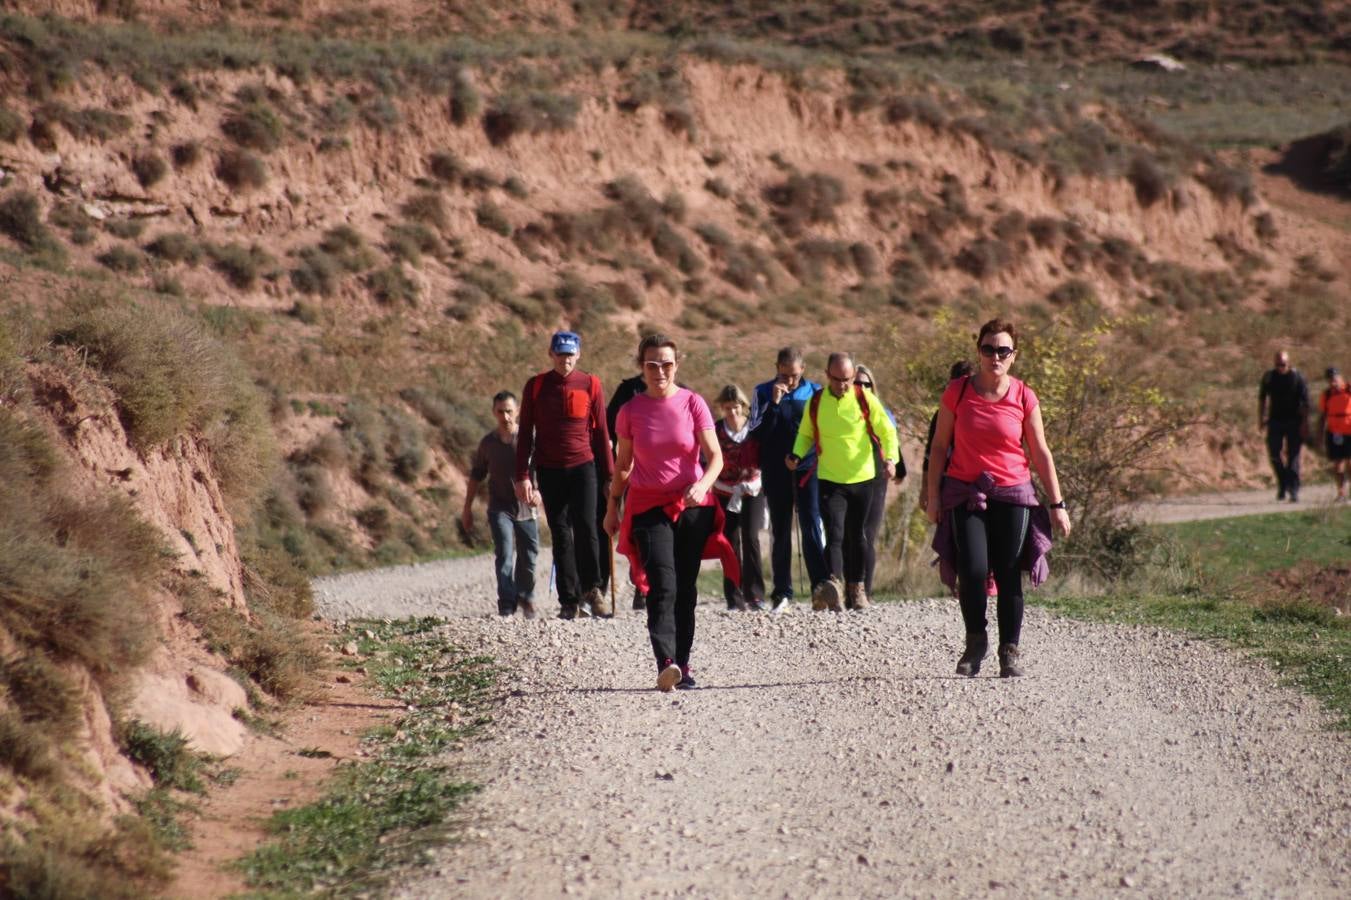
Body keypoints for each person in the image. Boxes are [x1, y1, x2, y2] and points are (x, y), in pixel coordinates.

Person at [926, 318, 1071, 678]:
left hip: (1013, 492)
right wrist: (933, 496)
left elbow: (1040, 451)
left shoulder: (1024, 396)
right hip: (964, 491)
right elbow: (940, 446)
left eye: (1002, 350)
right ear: (979, 351)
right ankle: (975, 642)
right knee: (972, 569)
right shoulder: (957, 392)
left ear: (1013, 356)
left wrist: (1057, 504)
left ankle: (1010, 651)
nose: (995, 356)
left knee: (1008, 574)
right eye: (988, 349)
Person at [605, 334, 737, 692]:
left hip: (692, 507)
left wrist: (703, 485)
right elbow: (623, 465)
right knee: (662, 584)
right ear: (641, 368)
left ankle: (684, 662)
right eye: (652, 364)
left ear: (676, 365)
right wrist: (612, 507)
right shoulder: (630, 411)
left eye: (666, 364)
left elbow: (716, 457)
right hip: (648, 507)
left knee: (685, 587)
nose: (659, 371)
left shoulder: (693, 403)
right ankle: (665, 662)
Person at [788, 352, 899, 612]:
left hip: (862, 479)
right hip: (829, 479)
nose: (843, 385)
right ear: (827, 376)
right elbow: (806, 434)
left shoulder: (864, 398)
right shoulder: (816, 402)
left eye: (848, 379)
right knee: (835, 533)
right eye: (837, 379)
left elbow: (887, 430)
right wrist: (796, 453)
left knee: (857, 535)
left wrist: (891, 459)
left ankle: (857, 589)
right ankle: (834, 586)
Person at [515, 330, 614, 620]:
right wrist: (523, 475)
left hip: (583, 466)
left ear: (578, 354)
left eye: (570, 354)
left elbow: (601, 433)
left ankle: (593, 590)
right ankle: (568, 601)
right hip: (550, 468)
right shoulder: (536, 386)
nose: (565, 360)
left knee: (587, 528)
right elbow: (525, 436)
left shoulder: (590, 384)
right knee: (560, 534)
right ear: (551, 354)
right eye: (560, 354)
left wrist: (609, 477)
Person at [749, 347, 828, 611]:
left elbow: (822, 430)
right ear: (776, 368)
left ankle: (821, 586)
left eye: (794, 375)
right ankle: (782, 591)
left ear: (803, 370)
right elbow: (755, 432)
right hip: (775, 469)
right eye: (784, 375)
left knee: (811, 524)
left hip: (808, 468)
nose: (790, 381)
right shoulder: (762, 391)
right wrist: (774, 403)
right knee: (780, 529)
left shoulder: (816, 392)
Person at [463, 391, 539, 618]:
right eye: (500, 412)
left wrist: (538, 492)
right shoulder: (488, 443)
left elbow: (544, 469)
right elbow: (477, 475)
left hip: (526, 507)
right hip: (499, 508)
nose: (505, 416)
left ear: (517, 411)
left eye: (509, 411)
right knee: (504, 552)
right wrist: (467, 508)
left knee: (529, 554)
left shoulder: (530, 439)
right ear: (493, 413)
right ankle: (506, 602)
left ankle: (525, 596)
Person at [852, 364, 905, 598]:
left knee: (867, 534)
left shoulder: (883, 412)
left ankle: (867, 590)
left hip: (875, 480)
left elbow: (893, 442)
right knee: (846, 536)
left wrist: (898, 468)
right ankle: (849, 586)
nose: (862, 387)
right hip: (845, 479)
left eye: (866, 384)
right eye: (857, 383)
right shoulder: (840, 413)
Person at [712, 385, 766, 611]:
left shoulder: (754, 430)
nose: (732, 413)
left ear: (743, 407)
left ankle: (755, 594)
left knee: (751, 538)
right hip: (724, 491)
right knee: (729, 542)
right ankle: (733, 596)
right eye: (727, 408)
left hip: (751, 489)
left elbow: (764, 456)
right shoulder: (716, 430)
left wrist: (755, 481)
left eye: (735, 408)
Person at [606, 368, 650, 611]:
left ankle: (662, 587)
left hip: (666, 478)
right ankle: (641, 589)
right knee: (637, 533)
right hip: (632, 473)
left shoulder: (682, 392)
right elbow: (610, 428)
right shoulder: (627, 390)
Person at [1259, 350, 1310, 502]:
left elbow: (1306, 403)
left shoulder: (1297, 377)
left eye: (1283, 364)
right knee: (1274, 454)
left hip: (1294, 421)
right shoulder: (1269, 377)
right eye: (1277, 365)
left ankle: (1293, 490)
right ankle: (1282, 483)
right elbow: (1262, 399)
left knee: (1293, 456)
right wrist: (1261, 419)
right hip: (1275, 420)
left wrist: (1304, 423)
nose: (1280, 367)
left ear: (1289, 363)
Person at [1318, 366, 1351, 502]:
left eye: (1335, 379)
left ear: (1340, 377)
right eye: (1330, 380)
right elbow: (1323, 415)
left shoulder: (1349, 389)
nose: (1333, 382)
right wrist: (1319, 433)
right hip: (1334, 432)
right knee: (1338, 465)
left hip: (1349, 430)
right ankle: (1341, 493)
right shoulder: (1326, 395)